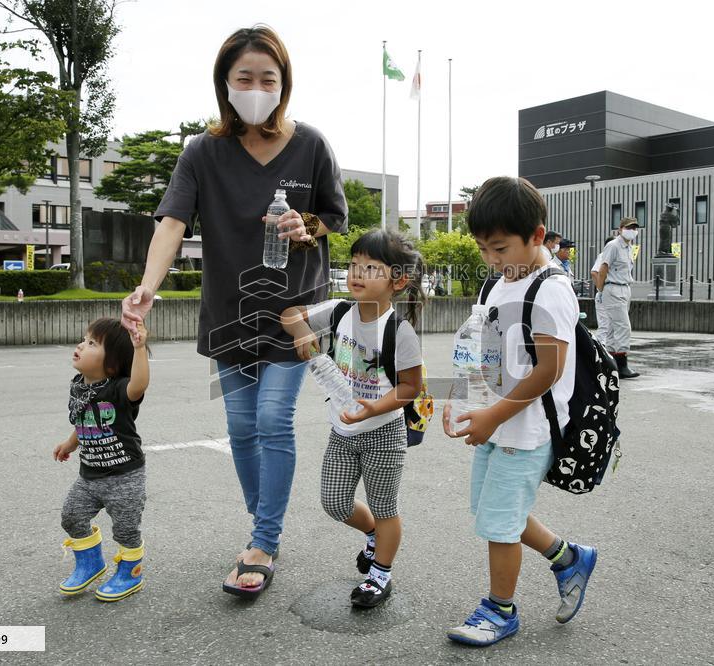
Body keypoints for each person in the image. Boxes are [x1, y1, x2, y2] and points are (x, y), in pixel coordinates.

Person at [121, 25, 348, 599]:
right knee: (242, 429)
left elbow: (335, 220)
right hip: (230, 313)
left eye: (267, 78)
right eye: (244, 77)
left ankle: (263, 540)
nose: (255, 87)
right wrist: (148, 286)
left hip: (295, 312)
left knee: (272, 420)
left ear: (283, 84)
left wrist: (307, 226)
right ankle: (264, 524)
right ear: (225, 83)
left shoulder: (311, 144)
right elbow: (172, 221)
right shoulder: (203, 151)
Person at [442, 177, 597, 647]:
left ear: (536, 235)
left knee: (498, 523)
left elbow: (550, 370)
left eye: (500, 248)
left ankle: (500, 610)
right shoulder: (498, 283)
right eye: (484, 249)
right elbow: (486, 352)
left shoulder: (551, 290)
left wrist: (494, 415)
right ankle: (569, 558)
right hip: (498, 421)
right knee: (493, 512)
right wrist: (466, 401)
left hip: (527, 429)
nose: (492, 259)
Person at [281, 229, 425, 608]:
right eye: (354, 264)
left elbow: (411, 387)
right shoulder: (340, 311)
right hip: (342, 431)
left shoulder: (399, 331)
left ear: (398, 280)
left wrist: (374, 408)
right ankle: (375, 534)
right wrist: (300, 334)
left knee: (385, 506)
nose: (357, 272)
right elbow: (290, 314)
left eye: (371, 267)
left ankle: (380, 575)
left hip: (383, 433)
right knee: (335, 503)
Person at [55, 317, 150, 602]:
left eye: (92, 343)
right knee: (71, 516)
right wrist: (70, 443)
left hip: (124, 477)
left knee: (125, 529)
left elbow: (140, 383)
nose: (81, 345)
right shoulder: (80, 387)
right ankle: (91, 563)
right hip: (89, 475)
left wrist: (140, 348)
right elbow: (85, 420)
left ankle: (131, 573)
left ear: (111, 365)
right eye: (85, 339)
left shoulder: (120, 389)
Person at [594, 217, 640, 379]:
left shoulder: (629, 247)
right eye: (629, 227)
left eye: (635, 227)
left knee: (614, 328)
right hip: (613, 288)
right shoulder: (613, 245)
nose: (632, 230)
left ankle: (611, 364)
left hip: (624, 288)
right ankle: (622, 365)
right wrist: (601, 290)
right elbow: (603, 268)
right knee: (623, 326)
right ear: (620, 229)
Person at [590, 235, 615, 340]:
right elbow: (594, 273)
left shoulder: (613, 257)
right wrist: (601, 290)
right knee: (605, 325)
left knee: (612, 325)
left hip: (613, 294)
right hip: (605, 294)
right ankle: (601, 350)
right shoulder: (604, 255)